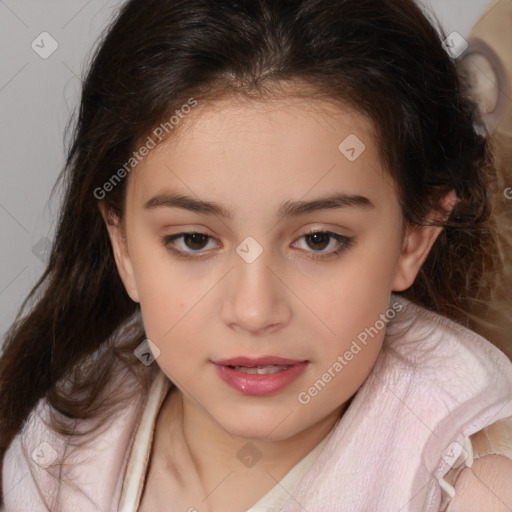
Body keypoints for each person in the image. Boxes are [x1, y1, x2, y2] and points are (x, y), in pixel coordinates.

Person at [1, 0, 511, 510]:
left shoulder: (479, 487)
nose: (253, 311)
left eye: (318, 240)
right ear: (124, 246)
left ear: (413, 238)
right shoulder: (53, 456)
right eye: (194, 240)